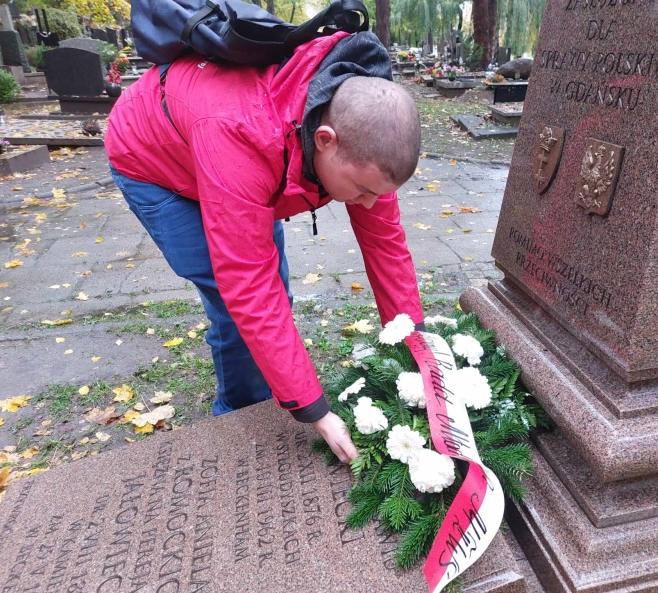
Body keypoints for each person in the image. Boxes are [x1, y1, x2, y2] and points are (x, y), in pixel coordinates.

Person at [104, 31, 424, 465]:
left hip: (242, 162)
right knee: (234, 301)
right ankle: (238, 415)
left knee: (276, 291)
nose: (370, 203)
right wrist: (317, 411)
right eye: (363, 190)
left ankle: (271, 386)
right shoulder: (240, 130)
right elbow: (248, 285)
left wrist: (417, 349)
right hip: (155, 162)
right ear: (325, 139)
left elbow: (387, 248)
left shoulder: (364, 140)